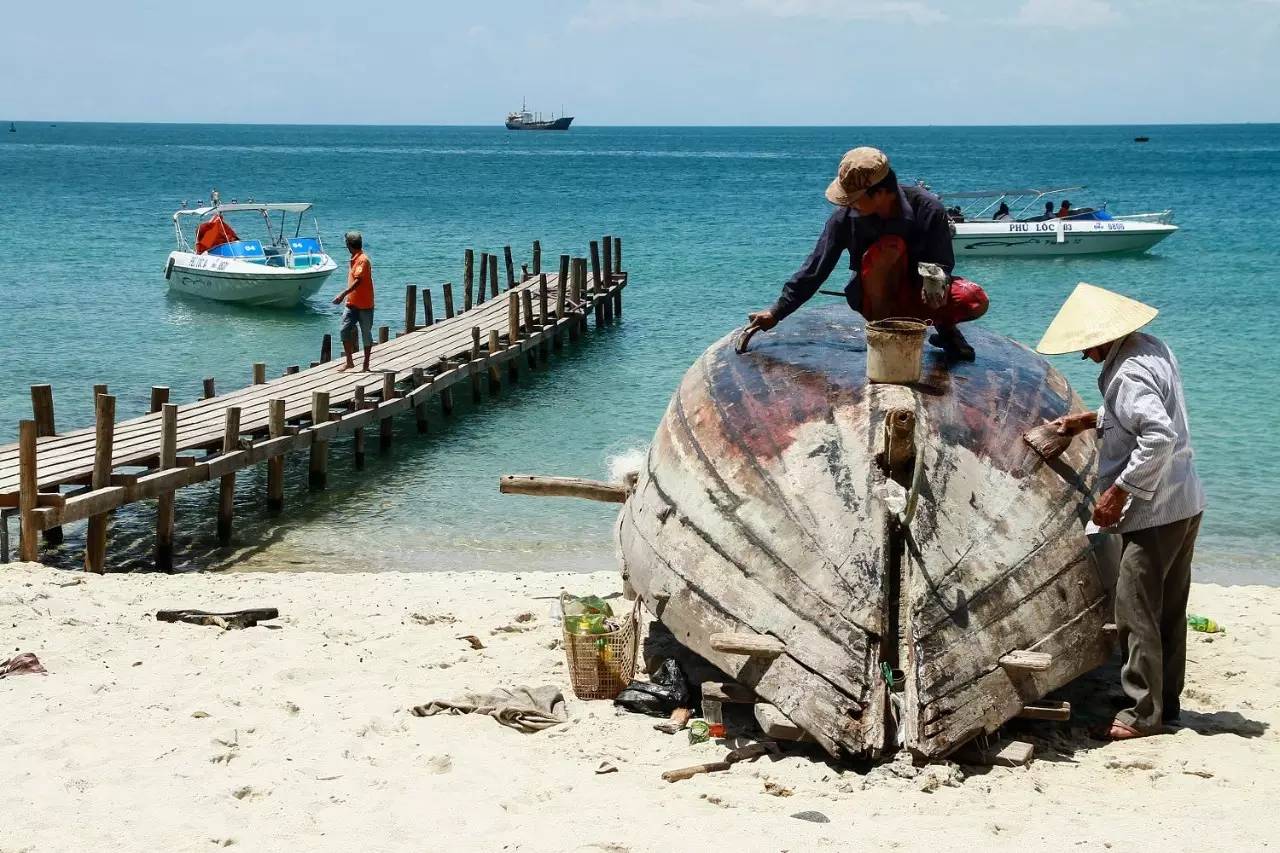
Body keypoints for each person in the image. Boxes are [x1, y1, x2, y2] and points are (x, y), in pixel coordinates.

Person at [1035, 283, 1205, 740]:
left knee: (1134, 608)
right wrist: (1085, 421)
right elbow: (1144, 413)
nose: (1084, 355)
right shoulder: (1151, 348)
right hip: (1185, 499)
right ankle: (1163, 703)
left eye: (1084, 346)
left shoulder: (1125, 372)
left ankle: (1141, 715)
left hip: (1154, 510)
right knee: (1168, 608)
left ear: (1099, 337)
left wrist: (1118, 492)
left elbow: (1158, 436)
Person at [742, 147, 988, 360]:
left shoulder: (928, 209)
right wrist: (776, 312)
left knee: (973, 298)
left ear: (880, 193)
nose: (847, 204)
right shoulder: (844, 220)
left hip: (916, 294)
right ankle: (885, 331)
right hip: (873, 298)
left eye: (854, 199)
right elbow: (815, 270)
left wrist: (936, 279)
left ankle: (945, 331)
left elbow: (943, 261)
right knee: (888, 249)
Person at [332, 231, 375, 372]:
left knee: (366, 334)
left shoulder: (363, 259)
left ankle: (366, 364)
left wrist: (343, 293)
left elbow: (359, 280)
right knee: (344, 329)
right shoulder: (354, 258)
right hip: (352, 304)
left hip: (365, 305)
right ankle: (349, 362)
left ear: (348, 245)